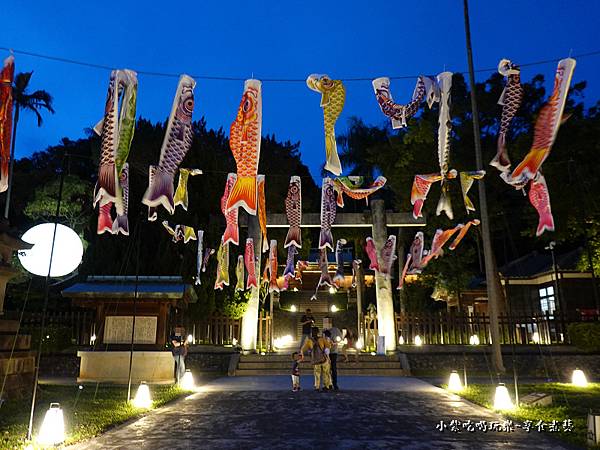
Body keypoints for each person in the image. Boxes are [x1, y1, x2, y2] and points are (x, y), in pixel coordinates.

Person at [300, 327, 332, 391]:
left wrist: (303, 355)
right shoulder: (322, 339)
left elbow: (302, 349)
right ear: (318, 332)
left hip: (316, 360)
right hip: (323, 359)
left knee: (317, 374)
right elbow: (328, 346)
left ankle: (317, 387)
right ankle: (326, 386)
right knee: (326, 372)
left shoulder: (309, 341)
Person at [325, 325, 343, 390]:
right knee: (328, 369)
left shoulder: (336, 330)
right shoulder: (325, 330)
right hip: (327, 352)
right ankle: (329, 384)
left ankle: (334, 384)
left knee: (332, 368)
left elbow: (340, 338)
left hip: (332, 351)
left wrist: (335, 343)